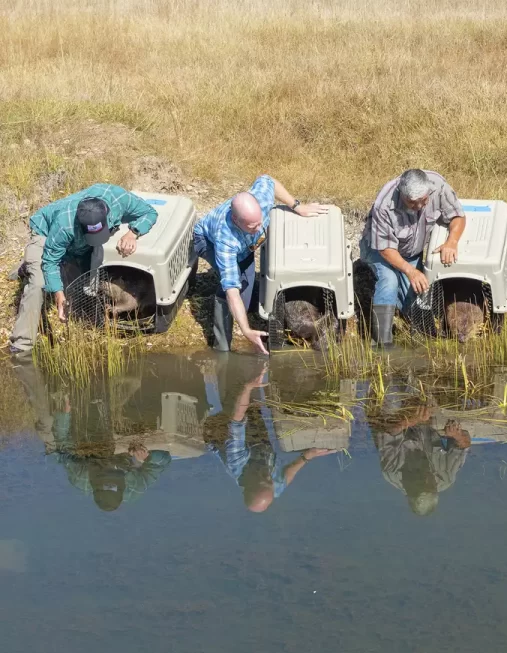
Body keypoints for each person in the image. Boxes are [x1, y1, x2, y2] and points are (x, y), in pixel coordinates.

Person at [9, 184, 158, 355]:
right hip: (46, 234)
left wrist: (132, 233)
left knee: (80, 288)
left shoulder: (117, 198)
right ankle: (22, 345)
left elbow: (150, 212)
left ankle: (33, 261)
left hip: (75, 245)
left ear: (107, 214)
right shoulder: (64, 225)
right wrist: (58, 295)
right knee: (38, 283)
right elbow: (50, 261)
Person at [193, 175, 327, 355]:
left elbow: (268, 180)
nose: (259, 229)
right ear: (236, 220)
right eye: (252, 226)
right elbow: (232, 291)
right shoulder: (225, 240)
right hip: (205, 241)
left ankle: (249, 303)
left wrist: (297, 206)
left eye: (260, 222)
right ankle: (221, 345)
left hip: (244, 246)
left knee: (245, 294)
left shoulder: (261, 199)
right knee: (234, 287)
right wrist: (246, 331)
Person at [204, 360, 336, 512]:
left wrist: (247, 388)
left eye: (264, 480)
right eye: (271, 482)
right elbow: (285, 478)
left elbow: (237, 420)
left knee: (235, 391)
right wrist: (308, 456)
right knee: (254, 407)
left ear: (250, 482)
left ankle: (228, 363)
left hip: (218, 431)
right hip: (256, 443)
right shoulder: (273, 488)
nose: (270, 477)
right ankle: (253, 368)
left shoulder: (237, 461)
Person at [361, 169, 466, 347]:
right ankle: (381, 343)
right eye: (412, 203)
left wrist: (452, 241)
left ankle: (415, 331)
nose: (418, 206)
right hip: (380, 249)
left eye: (423, 201)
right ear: (402, 194)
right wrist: (410, 271)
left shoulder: (438, 186)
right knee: (389, 281)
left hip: (412, 251)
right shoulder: (384, 204)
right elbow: (385, 248)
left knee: (415, 297)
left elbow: (458, 216)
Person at [372, 404, 472, 516]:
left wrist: (412, 420)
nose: (426, 480)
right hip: (429, 421)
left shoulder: (391, 471)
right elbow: (464, 446)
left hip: (398, 415)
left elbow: (387, 431)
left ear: (409, 490)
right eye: (430, 485)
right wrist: (456, 435)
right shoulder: (445, 478)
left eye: (420, 484)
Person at [55, 443, 172, 512]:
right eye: (115, 476)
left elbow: (61, 453)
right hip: (127, 453)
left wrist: (64, 414)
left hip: (93, 447)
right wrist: (146, 457)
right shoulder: (135, 488)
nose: (109, 471)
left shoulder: (81, 477)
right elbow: (164, 461)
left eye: (104, 477)